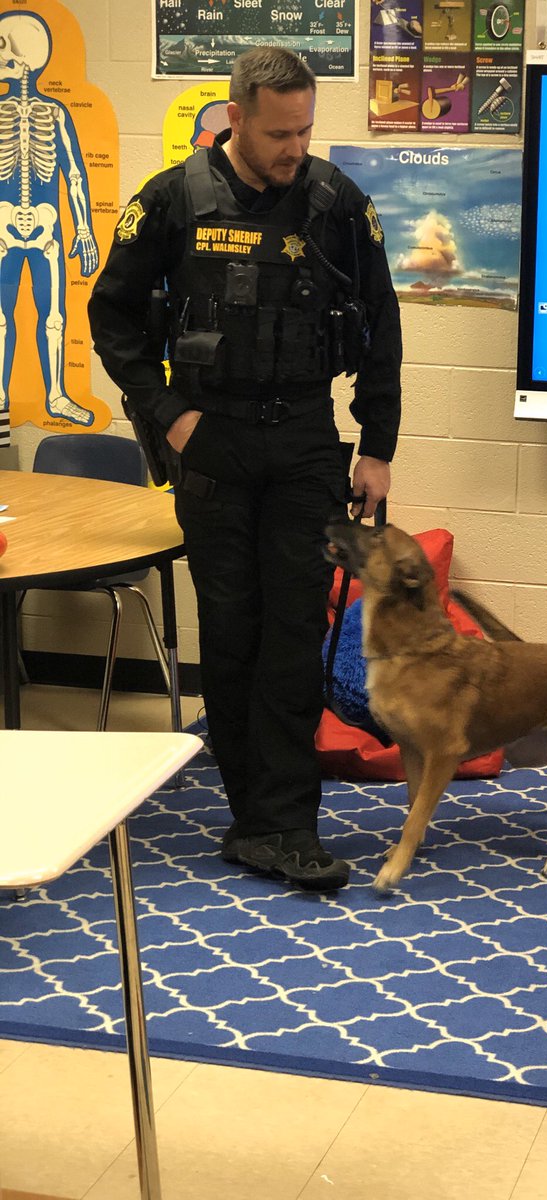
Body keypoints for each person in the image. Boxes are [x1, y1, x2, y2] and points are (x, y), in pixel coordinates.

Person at [88, 47, 402, 892]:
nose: (295, 146)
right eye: (277, 133)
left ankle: (286, 823)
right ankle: (249, 813)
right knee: (232, 632)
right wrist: (170, 417)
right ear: (235, 118)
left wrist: (377, 445)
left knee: (295, 631)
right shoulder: (173, 200)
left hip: (303, 438)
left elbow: (381, 321)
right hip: (212, 440)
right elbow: (110, 318)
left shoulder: (337, 201)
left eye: (305, 129)